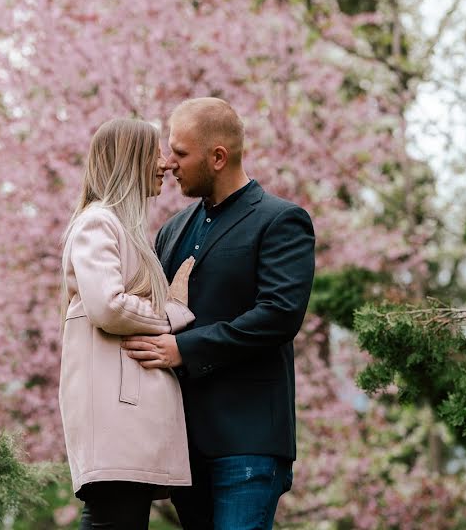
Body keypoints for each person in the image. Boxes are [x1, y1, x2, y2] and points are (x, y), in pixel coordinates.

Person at [122, 98, 316, 530]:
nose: (169, 163)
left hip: (249, 440)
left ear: (217, 157)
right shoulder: (170, 230)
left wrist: (183, 349)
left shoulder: (281, 220)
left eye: (181, 152)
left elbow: (280, 315)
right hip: (183, 444)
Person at [59, 117, 198, 530]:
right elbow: (106, 306)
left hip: (128, 419)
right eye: (154, 153)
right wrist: (170, 314)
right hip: (117, 418)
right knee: (113, 517)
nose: (166, 164)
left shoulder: (126, 230)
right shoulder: (98, 223)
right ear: (130, 160)